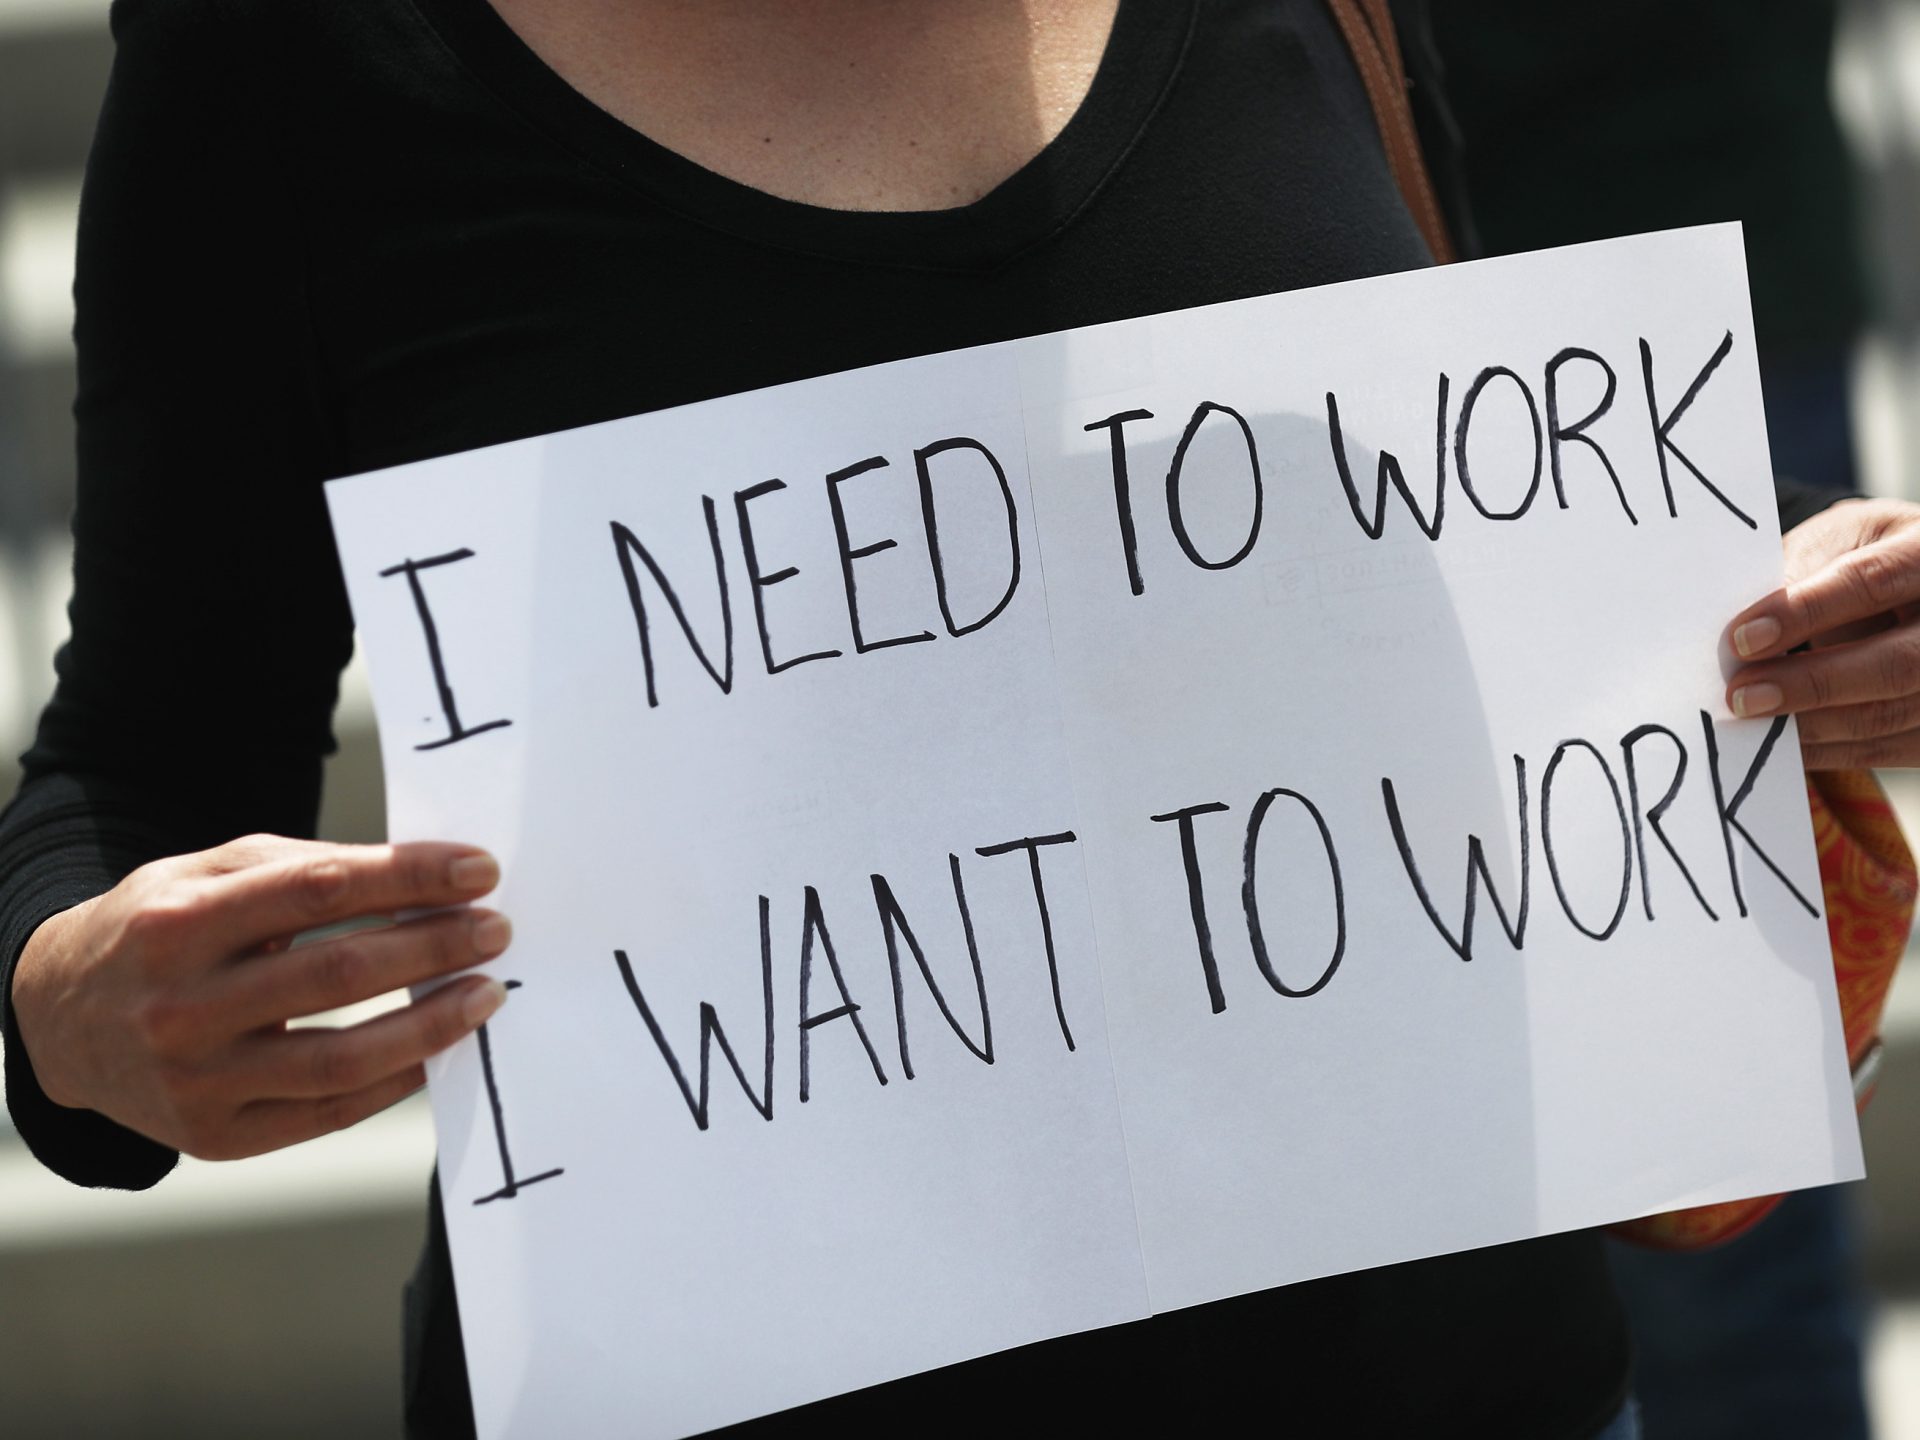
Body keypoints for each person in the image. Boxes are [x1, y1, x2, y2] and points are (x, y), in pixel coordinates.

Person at [2, 3, 1916, 1435]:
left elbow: (1463, 577)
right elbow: (127, 774)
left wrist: (1783, 642)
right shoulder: (292, 59)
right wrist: (84, 1010)